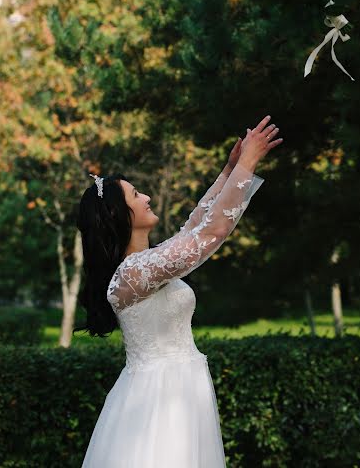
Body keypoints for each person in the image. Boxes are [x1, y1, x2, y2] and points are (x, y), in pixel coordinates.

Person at [76, 115, 283, 468]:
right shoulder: (131, 274)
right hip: (158, 402)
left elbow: (195, 226)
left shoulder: (147, 264)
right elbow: (209, 234)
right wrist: (248, 163)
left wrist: (230, 171)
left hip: (182, 390)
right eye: (136, 194)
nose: (147, 196)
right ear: (118, 214)